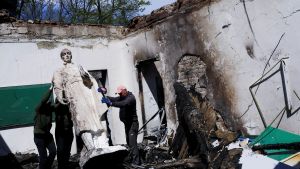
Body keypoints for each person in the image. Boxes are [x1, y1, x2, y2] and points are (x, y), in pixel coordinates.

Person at [52, 48, 108, 152]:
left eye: (68, 53)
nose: (67, 55)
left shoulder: (79, 67)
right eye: (64, 54)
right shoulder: (59, 70)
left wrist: (86, 77)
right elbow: (57, 85)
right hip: (75, 95)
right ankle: (92, 147)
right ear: (61, 57)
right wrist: (60, 96)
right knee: (82, 119)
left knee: (94, 115)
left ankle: (102, 143)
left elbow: (91, 81)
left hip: (87, 93)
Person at [99, 85, 141, 165]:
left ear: (125, 90)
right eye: (119, 94)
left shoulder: (130, 98)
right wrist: (103, 94)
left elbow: (122, 104)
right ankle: (136, 160)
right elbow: (114, 99)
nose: (119, 95)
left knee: (132, 144)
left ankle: (136, 163)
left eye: (121, 93)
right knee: (129, 143)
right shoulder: (123, 96)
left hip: (133, 124)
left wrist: (110, 103)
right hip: (127, 124)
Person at [33, 86, 56, 169]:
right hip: (39, 136)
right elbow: (43, 100)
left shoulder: (49, 109)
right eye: (48, 100)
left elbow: (58, 105)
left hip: (47, 135)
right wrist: (50, 89)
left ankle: (47, 167)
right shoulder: (39, 109)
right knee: (43, 157)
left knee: (53, 152)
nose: (49, 100)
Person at [54, 99, 74, 169]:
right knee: (60, 150)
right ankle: (61, 166)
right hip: (60, 132)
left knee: (67, 150)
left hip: (69, 131)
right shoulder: (58, 109)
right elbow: (56, 106)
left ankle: (65, 164)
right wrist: (61, 100)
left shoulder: (69, 109)